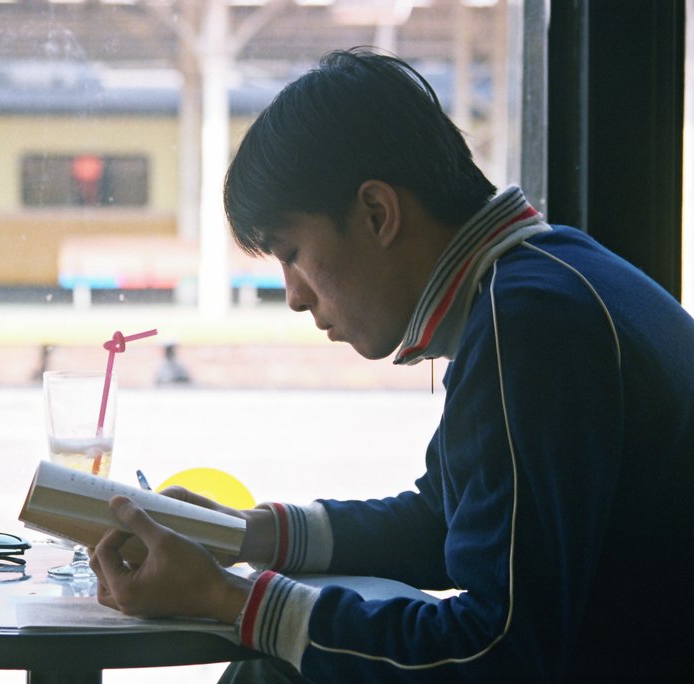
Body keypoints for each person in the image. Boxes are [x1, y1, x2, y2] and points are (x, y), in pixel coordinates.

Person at [88, 47, 694, 681]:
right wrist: (246, 535)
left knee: (275, 669)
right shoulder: (546, 278)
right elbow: (445, 522)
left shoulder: (529, 327)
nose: (294, 296)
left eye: (292, 253)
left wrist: (226, 598)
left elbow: (499, 653)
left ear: (378, 213)